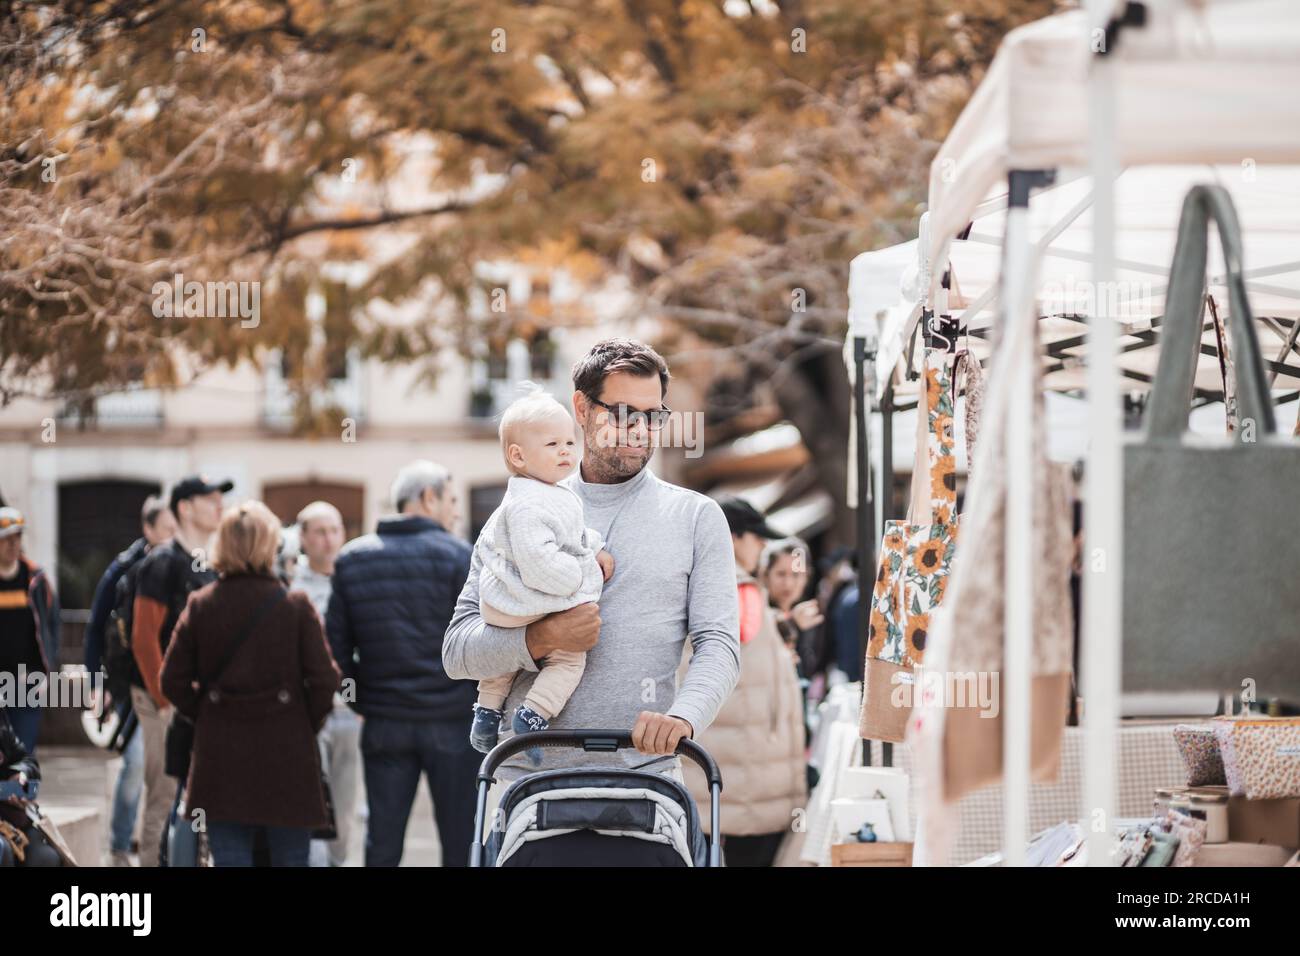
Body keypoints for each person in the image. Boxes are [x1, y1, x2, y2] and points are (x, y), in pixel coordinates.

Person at [444, 338, 740, 820]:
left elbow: (719, 643)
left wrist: (684, 716)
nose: (640, 430)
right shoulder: (519, 510)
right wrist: (538, 639)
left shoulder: (696, 516)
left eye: (653, 415)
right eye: (624, 413)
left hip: (647, 787)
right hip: (529, 790)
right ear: (581, 408)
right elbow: (458, 652)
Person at [161, 501, 340, 867]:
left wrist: (208, 711)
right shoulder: (296, 605)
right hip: (288, 758)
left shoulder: (201, 605)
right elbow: (326, 681)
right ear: (270, 545)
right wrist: (303, 721)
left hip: (221, 758)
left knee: (230, 860)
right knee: (291, 859)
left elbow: (171, 680)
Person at [326, 460, 480, 867]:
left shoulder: (351, 560)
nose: (456, 510)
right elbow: (483, 644)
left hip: (384, 723)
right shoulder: (460, 557)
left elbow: (335, 654)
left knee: (383, 841)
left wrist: (364, 702)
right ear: (428, 499)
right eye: (449, 499)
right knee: (461, 839)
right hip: (453, 723)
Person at [469, 388, 615, 763]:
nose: (566, 450)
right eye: (553, 444)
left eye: (570, 441)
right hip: (525, 599)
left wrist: (593, 546)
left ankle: (486, 711)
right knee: (569, 659)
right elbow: (541, 562)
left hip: (509, 605)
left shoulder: (547, 493)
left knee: (507, 657)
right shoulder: (528, 505)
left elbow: (574, 535)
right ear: (518, 455)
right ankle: (532, 716)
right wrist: (580, 576)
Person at [679, 497, 807, 867]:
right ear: (732, 538)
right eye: (757, 538)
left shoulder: (692, 580)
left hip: (722, 771)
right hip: (748, 779)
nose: (763, 546)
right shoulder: (740, 589)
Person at [130, 475, 229, 866]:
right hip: (163, 701)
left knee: (194, 799)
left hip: (196, 703)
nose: (218, 505)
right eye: (209, 499)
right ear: (185, 507)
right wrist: (165, 700)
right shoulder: (162, 562)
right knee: (163, 795)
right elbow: (143, 639)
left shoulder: (211, 562)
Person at [84, 495, 175, 865]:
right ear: (148, 529)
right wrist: (95, 684)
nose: (172, 536)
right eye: (166, 529)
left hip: (171, 687)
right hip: (131, 683)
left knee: (166, 769)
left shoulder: (185, 565)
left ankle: (162, 844)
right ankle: (121, 845)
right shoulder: (124, 569)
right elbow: (95, 628)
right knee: (137, 761)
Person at [291, 500, 360, 868]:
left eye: (334, 530)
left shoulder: (355, 580)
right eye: (319, 532)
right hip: (306, 716)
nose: (328, 540)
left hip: (349, 714)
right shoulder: (290, 587)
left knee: (345, 804)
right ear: (303, 538)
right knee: (311, 800)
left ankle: (339, 862)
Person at [0, 507, 60, 755]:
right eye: (6, 539)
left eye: (17, 538)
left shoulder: (36, 580)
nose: (13, 545)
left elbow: (53, 627)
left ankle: (18, 795)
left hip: (26, 684)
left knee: (22, 755)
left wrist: (48, 673)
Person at [0, 707, 62, 867]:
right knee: (3, 850)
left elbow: (26, 759)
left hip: (9, 816)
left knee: (46, 858)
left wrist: (21, 774)